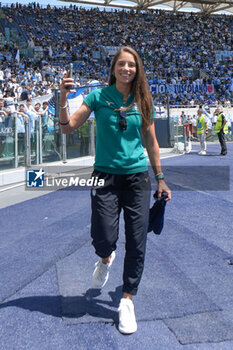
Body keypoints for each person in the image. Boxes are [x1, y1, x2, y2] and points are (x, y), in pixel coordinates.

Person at [59, 47, 171, 334]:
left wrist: (160, 178)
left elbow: (151, 142)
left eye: (131, 65)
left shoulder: (144, 100)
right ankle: (105, 258)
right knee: (103, 237)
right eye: (121, 64)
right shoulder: (98, 97)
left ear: (137, 69)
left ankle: (126, 301)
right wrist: (62, 98)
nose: (126, 69)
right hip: (105, 178)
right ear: (113, 68)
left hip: (137, 178)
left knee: (137, 239)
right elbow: (68, 128)